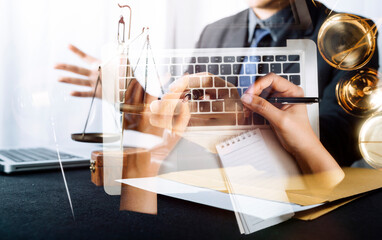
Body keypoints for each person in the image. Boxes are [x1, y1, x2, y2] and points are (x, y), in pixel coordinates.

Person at [55, 0, 377, 179]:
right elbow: (185, 125)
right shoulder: (214, 33)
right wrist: (142, 105)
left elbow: (343, 139)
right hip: (211, 195)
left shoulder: (350, 35)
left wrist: (245, 123)